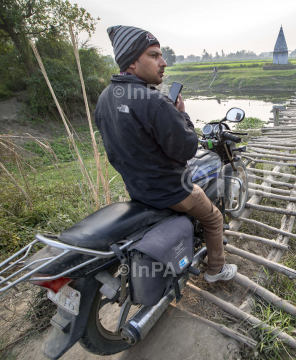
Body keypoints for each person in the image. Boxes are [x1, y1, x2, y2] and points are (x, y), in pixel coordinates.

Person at [94, 25, 237, 283]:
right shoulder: (154, 101)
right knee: (214, 218)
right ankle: (216, 270)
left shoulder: (105, 97)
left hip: (137, 188)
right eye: (153, 55)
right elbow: (187, 148)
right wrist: (181, 114)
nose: (163, 62)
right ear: (132, 62)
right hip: (169, 191)